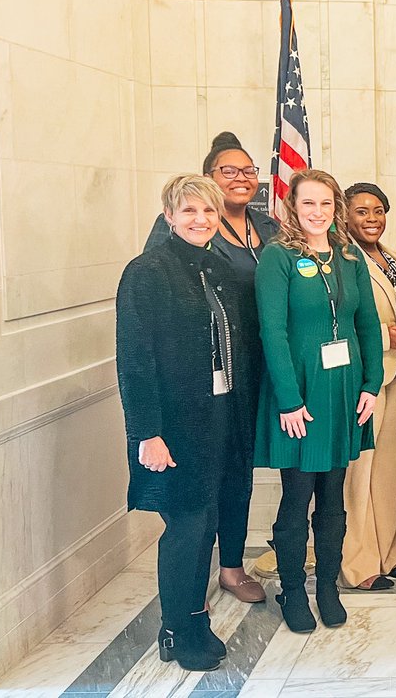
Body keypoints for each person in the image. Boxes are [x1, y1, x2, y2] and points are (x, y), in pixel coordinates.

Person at [117, 175, 257, 671]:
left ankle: (193, 617)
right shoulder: (147, 272)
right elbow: (135, 360)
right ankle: (178, 629)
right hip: (174, 427)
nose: (201, 221)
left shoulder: (217, 268)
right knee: (187, 527)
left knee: (212, 521)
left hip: (222, 418)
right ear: (170, 216)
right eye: (190, 211)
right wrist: (147, 434)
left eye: (209, 213)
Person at [143, 131, 277, 604]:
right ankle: (186, 592)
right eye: (228, 171)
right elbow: (151, 327)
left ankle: (232, 567)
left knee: (236, 474)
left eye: (248, 171)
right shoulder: (168, 248)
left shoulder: (270, 227)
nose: (241, 178)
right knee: (195, 491)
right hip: (194, 387)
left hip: (251, 374)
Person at [253, 169, 383, 633]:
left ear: (336, 208)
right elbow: (274, 331)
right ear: (293, 206)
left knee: (334, 497)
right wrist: (288, 400)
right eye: (308, 203)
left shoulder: (349, 257)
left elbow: (366, 323)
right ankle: (293, 588)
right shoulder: (278, 257)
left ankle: (326, 585)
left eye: (326, 204)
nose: (317, 212)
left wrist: (371, 383)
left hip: (345, 391)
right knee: (298, 497)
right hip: (300, 394)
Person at [339, 183, 396, 592]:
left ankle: (389, 552)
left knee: (388, 469)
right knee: (360, 472)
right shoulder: (341, 258)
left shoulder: (389, 257)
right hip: (364, 377)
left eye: (378, 211)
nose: (372, 218)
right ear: (345, 215)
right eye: (362, 211)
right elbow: (333, 322)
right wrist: (384, 336)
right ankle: (359, 562)